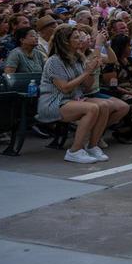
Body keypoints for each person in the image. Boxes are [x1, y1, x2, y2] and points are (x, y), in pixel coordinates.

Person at [37, 25, 111, 164]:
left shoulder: (78, 58)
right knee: (92, 108)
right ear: (66, 41)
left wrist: (92, 69)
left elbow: (87, 86)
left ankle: (92, 146)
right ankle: (74, 151)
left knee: (104, 105)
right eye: (76, 37)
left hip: (73, 99)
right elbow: (64, 88)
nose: (81, 40)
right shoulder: (54, 61)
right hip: (54, 102)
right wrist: (86, 72)